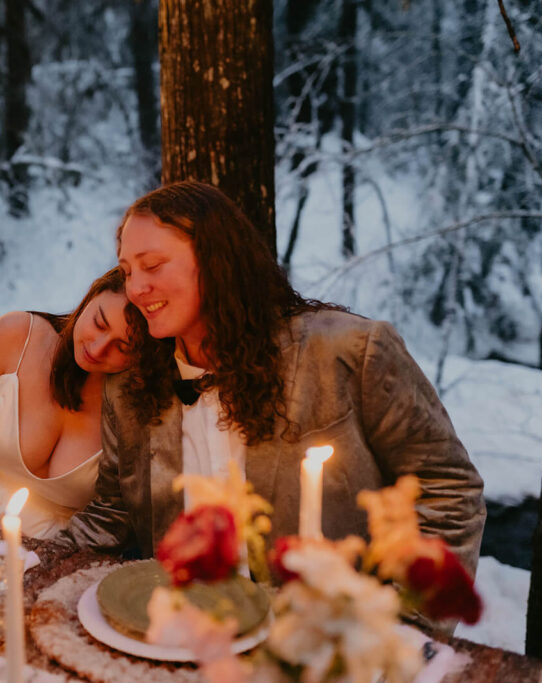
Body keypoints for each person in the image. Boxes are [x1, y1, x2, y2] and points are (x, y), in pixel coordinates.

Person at [55, 180, 485, 581]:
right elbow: (111, 514)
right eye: (128, 271)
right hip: (186, 636)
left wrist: (395, 627)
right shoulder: (131, 390)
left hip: (323, 637)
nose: (135, 288)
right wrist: (26, 568)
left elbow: (448, 491)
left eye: (151, 265)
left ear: (216, 260)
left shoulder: (350, 351)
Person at [0, 267, 155, 538]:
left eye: (123, 347)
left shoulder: (137, 407)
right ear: (92, 295)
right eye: (99, 323)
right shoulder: (16, 335)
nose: (98, 348)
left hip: (61, 555)